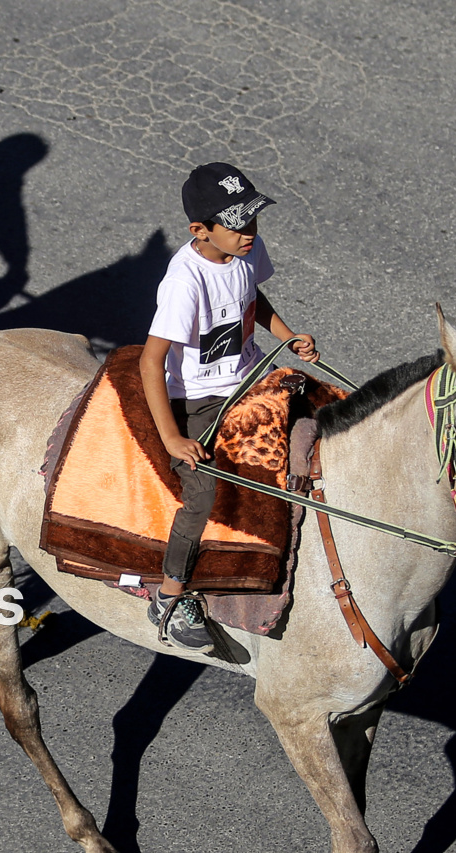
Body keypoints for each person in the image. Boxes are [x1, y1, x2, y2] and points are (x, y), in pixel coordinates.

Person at [139, 162, 319, 653]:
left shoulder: (246, 250)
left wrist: (288, 336)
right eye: (237, 224)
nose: (249, 233)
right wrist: (174, 438)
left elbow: (250, 297)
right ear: (200, 230)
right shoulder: (184, 282)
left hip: (251, 374)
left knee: (322, 425)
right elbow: (152, 363)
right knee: (205, 494)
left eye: (253, 221)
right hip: (200, 397)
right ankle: (169, 597)